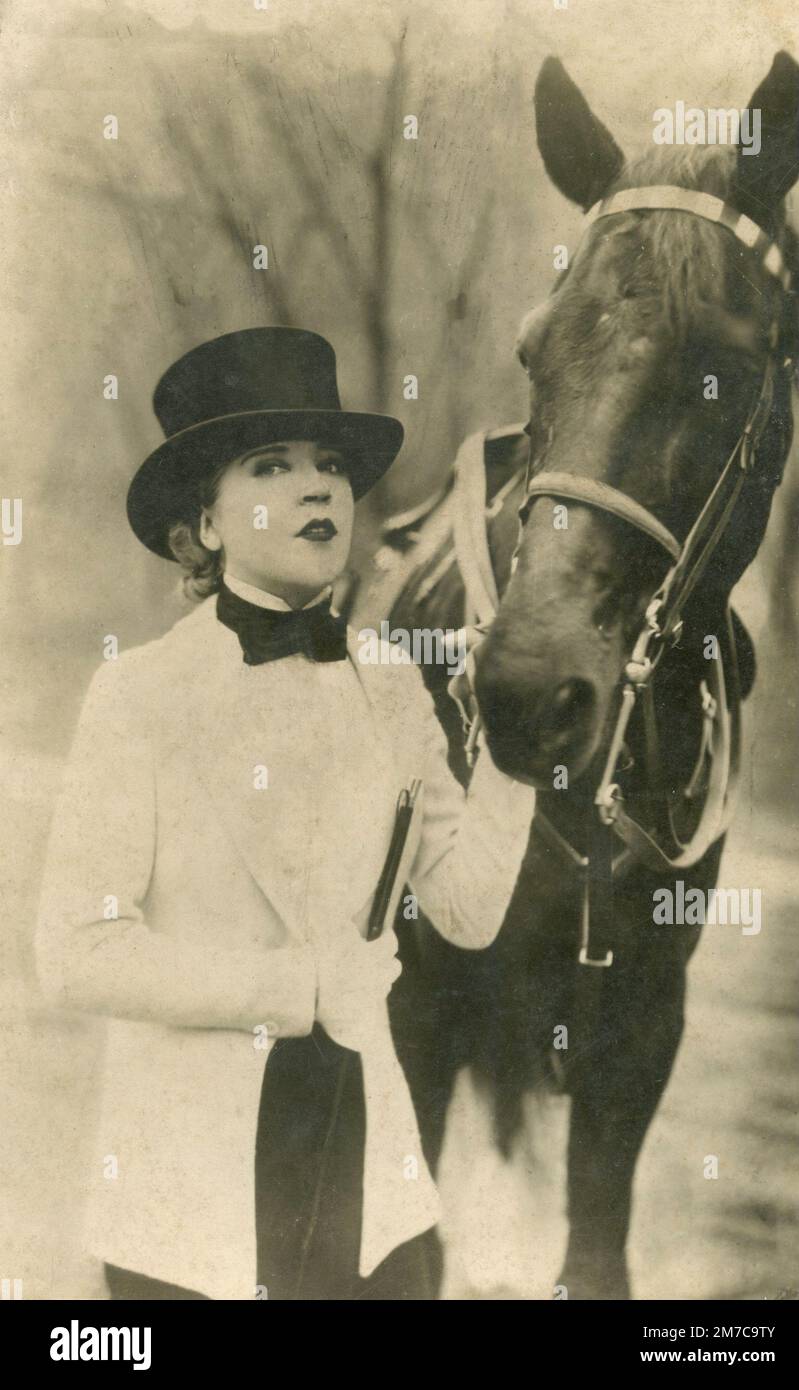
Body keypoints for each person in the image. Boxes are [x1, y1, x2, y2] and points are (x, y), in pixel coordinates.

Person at [35, 326, 535, 1301]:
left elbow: (468, 912)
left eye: (332, 466)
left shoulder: (389, 685)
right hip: (188, 1199)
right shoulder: (138, 694)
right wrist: (293, 987)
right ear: (205, 527)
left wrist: (514, 751)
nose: (318, 489)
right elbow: (77, 950)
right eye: (272, 465)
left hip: (368, 1184)